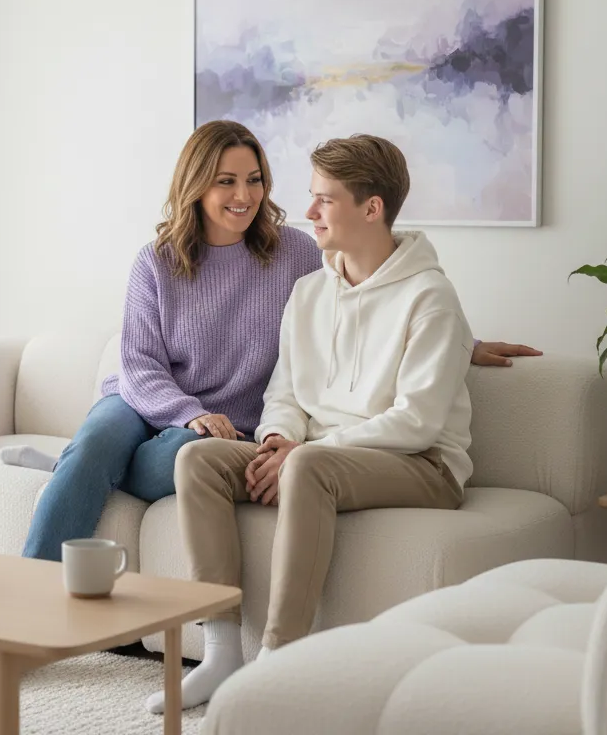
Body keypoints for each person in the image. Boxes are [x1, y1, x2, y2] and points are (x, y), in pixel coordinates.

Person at [146, 134, 527, 714]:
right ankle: (221, 653)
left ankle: (280, 662)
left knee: (310, 466)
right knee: (197, 458)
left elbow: (418, 423)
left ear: (371, 208)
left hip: (422, 465)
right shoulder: (308, 292)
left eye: (325, 199)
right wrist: (279, 438)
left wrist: (301, 454)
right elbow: (285, 391)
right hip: (318, 454)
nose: (309, 212)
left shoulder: (431, 297)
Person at [0, 119, 322, 693]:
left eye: (254, 179)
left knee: (159, 458)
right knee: (98, 444)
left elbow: (352, 313)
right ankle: (19, 631)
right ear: (195, 184)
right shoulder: (157, 261)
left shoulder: (296, 254)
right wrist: (186, 410)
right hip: (142, 399)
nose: (244, 195)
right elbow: (139, 363)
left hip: (225, 428)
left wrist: (456, 340)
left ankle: (73, 468)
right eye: (226, 180)